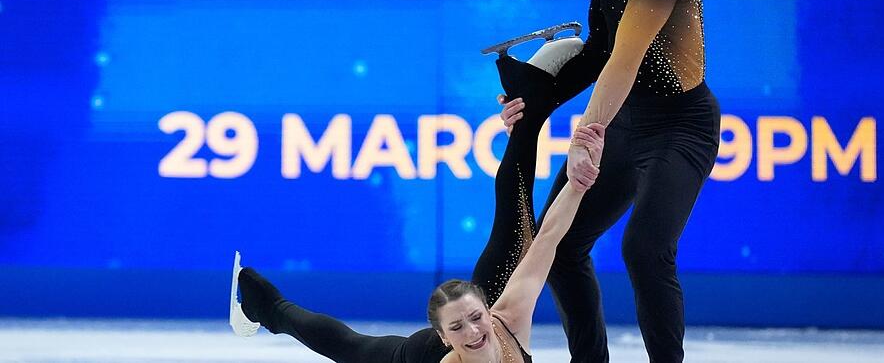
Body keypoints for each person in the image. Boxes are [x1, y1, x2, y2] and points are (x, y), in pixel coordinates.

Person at [231, 39, 607, 363]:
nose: (474, 332)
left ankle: (530, 103)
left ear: (489, 311)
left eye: (477, 318)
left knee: (521, 243)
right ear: (446, 338)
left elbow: (549, 239)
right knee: (351, 348)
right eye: (458, 328)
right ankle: (271, 308)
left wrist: (578, 184)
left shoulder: (507, 316)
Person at [499, 0, 720, 361]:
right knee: (558, 242)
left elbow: (629, 55)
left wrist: (586, 132)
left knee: (645, 250)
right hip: (625, 121)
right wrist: (536, 100)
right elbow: (599, 49)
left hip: (680, 125)